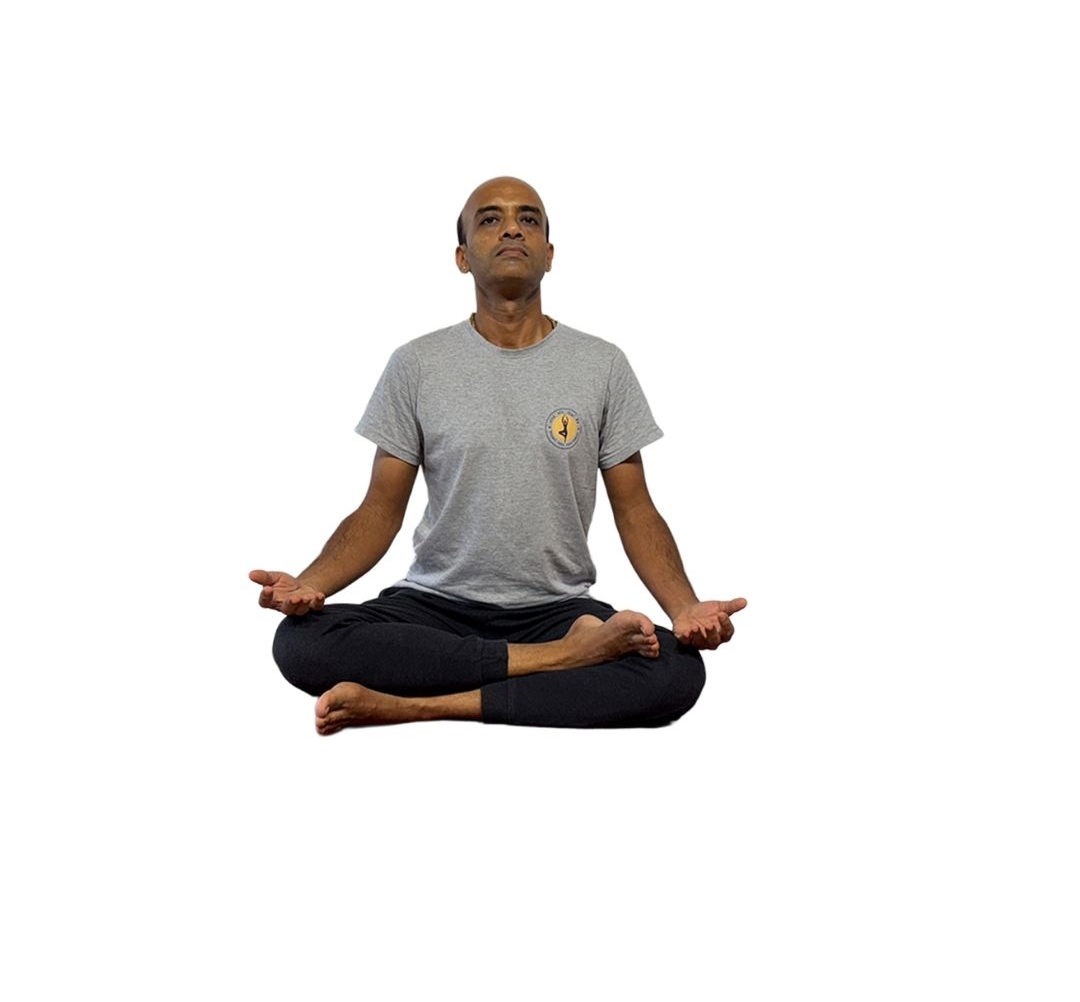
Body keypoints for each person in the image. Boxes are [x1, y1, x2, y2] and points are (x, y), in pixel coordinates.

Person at [251, 176, 746, 733]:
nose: (512, 228)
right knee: (301, 642)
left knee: (677, 671)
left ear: (549, 255)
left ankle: (410, 705)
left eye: (528, 219)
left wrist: (683, 607)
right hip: (434, 607)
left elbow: (635, 510)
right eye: (490, 219)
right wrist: (311, 584)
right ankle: (560, 661)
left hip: (556, 610)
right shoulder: (417, 364)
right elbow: (379, 509)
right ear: (462, 257)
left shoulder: (602, 365)